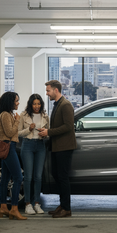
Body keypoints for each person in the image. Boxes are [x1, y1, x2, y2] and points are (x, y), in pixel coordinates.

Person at [38, 80, 76, 218]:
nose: (47, 93)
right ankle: (63, 205)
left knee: (63, 177)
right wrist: (47, 130)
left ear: (56, 90)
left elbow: (68, 126)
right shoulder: (58, 104)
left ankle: (66, 208)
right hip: (57, 146)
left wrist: (48, 132)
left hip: (64, 147)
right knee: (56, 174)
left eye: (48, 90)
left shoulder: (65, 105)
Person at [0, 91, 27, 220]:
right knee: (18, 177)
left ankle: (3, 207)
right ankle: (14, 208)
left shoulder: (7, 114)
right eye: (16, 100)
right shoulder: (6, 115)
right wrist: (17, 121)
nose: (18, 103)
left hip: (6, 147)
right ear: (10, 102)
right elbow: (10, 132)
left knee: (5, 179)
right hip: (8, 147)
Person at [18, 93, 50, 215]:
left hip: (41, 145)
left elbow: (49, 132)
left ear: (41, 104)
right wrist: (29, 129)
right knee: (28, 176)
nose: (37, 106)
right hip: (28, 145)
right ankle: (27, 204)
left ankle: (37, 203)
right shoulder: (24, 115)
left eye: (39, 104)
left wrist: (45, 133)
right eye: (34, 104)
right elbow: (18, 133)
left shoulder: (45, 116)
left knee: (38, 176)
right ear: (31, 104)